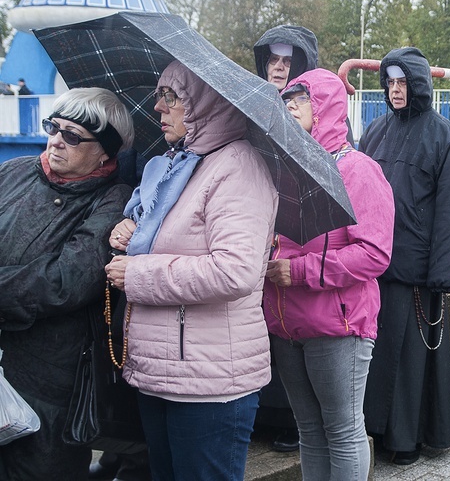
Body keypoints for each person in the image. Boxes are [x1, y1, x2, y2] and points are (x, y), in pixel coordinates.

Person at [105, 60, 279, 481]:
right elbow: (174, 236)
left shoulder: (238, 167)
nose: (158, 108)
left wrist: (138, 275)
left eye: (172, 97)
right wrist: (132, 228)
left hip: (210, 382)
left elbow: (235, 271)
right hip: (162, 371)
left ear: (206, 103)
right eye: (160, 96)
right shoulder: (178, 165)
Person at [263, 68, 394, 480]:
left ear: (325, 106)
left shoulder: (356, 169)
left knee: (342, 430)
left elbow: (374, 253)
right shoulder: (281, 169)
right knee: (309, 431)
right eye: (287, 100)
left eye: (300, 99)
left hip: (338, 324)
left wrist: (298, 271)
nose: (291, 107)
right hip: (286, 323)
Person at [0, 88, 134, 480]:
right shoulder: (14, 171)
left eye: (73, 135)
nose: (57, 139)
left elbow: (68, 281)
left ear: (105, 151)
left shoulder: (114, 200)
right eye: (53, 127)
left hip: (49, 381)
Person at [359, 47, 450, 465]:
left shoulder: (442, 135)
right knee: (374, 356)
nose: (394, 89)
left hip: (417, 271)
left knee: (408, 363)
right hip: (372, 265)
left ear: (418, 84)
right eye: (390, 82)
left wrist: (441, 273)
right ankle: (373, 433)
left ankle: (404, 441)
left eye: (403, 82)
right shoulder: (375, 130)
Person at [252, 23, 319, 452]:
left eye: (287, 62)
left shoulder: (310, 108)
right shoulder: (256, 102)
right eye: (273, 61)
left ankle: (294, 419)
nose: (278, 68)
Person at [254, 25, 318, 91]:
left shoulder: (317, 100)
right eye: (274, 59)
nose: (278, 67)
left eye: (289, 61)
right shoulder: (250, 98)